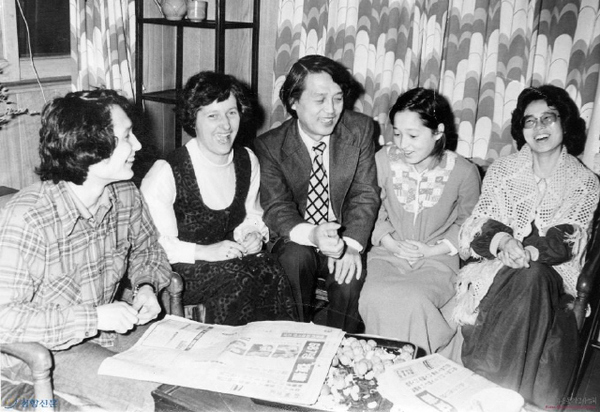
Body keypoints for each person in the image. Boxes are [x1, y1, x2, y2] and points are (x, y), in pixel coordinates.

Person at [0, 89, 172, 411]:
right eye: (127, 136)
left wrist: (146, 286)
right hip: (43, 353)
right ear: (90, 148)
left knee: (191, 377)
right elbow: (4, 320)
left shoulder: (125, 193)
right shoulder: (28, 219)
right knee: (158, 398)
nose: (137, 145)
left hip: (106, 333)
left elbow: (148, 249)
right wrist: (94, 317)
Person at [453, 84, 600, 406]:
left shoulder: (584, 182)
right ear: (521, 130)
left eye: (548, 118)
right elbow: (480, 225)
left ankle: (484, 391)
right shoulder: (503, 171)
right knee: (527, 277)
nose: (539, 128)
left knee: (532, 275)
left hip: (554, 276)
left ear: (565, 123)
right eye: (529, 121)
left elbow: (567, 240)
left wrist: (529, 252)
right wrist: (504, 241)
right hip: (497, 269)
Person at [141, 71, 297, 325]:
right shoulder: (166, 172)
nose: (225, 125)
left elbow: (251, 214)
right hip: (181, 269)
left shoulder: (247, 160)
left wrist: (251, 234)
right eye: (213, 116)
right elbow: (155, 247)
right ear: (193, 120)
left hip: (230, 259)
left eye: (231, 113)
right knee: (239, 278)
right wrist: (206, 251)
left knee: (269, 267)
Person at [254, 55, 381, 333]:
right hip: (298, 235)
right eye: (320, 100)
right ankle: (292, 338)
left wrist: (351, 244)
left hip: (344, 234)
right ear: (293, 102)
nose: (331, 110)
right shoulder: (270, 146)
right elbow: (277, 207)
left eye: (338, 98)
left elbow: (365, 193)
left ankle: (339, 346)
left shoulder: (359, 129)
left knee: (349, 279)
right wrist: (313, 235)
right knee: (294, 259)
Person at [357, 88, 481, 354]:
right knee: (374, 296)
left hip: (438, 259)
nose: (403, 144)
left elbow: (469, 223)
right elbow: (369, 209)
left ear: (437, 132)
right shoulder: (382, 161)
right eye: (397, 133)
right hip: (388, 254)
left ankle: (413, 364)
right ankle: (379, 364)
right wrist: (390, 242)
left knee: (414, 299)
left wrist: (432, 250)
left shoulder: (464, 171)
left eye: (413, 135)